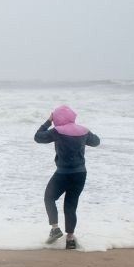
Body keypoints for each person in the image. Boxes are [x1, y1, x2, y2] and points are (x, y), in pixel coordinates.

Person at [34, 105, 100, 249]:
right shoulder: (83, 131)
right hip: (80, 174)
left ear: (57, 118)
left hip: (63, 173)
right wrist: (85, 133)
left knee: (49, 198)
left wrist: (48, 122)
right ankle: (70, 239)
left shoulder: (57, 131)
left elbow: (38, 137)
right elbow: (96, 142)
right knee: (70, 205)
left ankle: (55, 228)